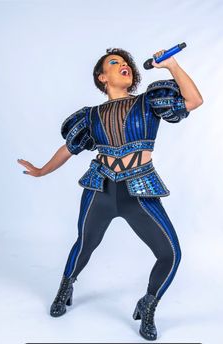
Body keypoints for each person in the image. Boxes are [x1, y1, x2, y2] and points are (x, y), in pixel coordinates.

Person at [17, 47, 203, 341]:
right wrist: (41, 171)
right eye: (115, 63)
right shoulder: (89, 116)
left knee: (170, 253)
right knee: (85, 243)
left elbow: (194, 100)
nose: (124, 65)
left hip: (139, 191)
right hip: (99, 188)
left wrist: (172, 66)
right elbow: (68, 149)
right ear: (102, 77)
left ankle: (148, 304)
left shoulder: (150, 102)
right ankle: (65, 288)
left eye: (127, 63)